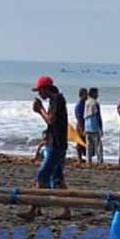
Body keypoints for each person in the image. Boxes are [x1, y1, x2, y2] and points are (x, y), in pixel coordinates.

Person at [21, 76, 70, 221]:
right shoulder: (56, 99)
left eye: (39, 91)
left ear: (46, 89)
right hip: (57, 143)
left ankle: (33, 209)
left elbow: (51, 120)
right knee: (57, 179)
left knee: (42, 175)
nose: (39, 94)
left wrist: (39, 109)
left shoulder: (56, 99)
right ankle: (65, 209)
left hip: (56, 144)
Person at [84, 87, 104, 164]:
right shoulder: (95, 103)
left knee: (88, 146)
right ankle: (100, 161)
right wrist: (101, 128)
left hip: (87, 126)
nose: (97, 95)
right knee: (98, 145)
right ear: (93, 94)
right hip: (94, 126)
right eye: (96, 93)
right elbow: (98, 116)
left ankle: (88, 161)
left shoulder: (86, 102)